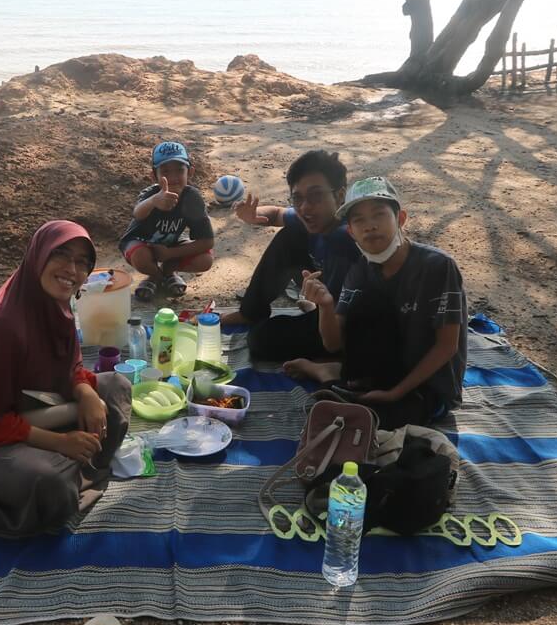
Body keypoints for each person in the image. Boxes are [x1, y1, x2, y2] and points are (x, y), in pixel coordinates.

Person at [0, 221, 133, 536]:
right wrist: (61, 442)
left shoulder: (57, 304)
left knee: (116, 388)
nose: (71, 269)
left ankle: (70, 465)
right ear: (39, 255)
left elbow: (70, 366)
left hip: (27, 407)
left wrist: (86, 393)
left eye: (82, 262)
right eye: (61, 255)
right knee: (47, 483)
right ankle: (67, 471)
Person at [285, 176, 468, 429]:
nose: (370, 226)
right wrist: (325, 306)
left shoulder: (437, 267)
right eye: (359, 220)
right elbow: (333, 343)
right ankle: (337, 375)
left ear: (400, 219)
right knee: (333, 413)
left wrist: (395, 393)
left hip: (428, 386)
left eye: (379, 215)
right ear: (351, 232)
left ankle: (329, 374)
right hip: (378, 375)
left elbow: (447, 346)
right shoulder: (361, 270)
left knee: (367, 421)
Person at [221, 149, 359, 363]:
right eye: (297, 198)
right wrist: (255, 216)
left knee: (260, 339)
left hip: (349, 320)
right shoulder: (315, 217)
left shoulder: (345, 236)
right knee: (289, 236)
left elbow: (343, 321)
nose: (305, 207)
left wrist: (322, 313)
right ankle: (251, 312)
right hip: (325, 290)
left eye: (316, 196)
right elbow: (277, 213)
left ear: (340, 196)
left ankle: (330, 359)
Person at [119, 140, 215, 300]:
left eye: (179, 170)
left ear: (190, 172)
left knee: (205, 259)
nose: (173, 178)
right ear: (154, 176)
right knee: (141, 257)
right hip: (142, 244)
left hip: (170, 246)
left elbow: (207, 241)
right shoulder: (151, 194)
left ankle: (169, 271)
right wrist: (153, 201)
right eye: (165, 171)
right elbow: (138, 213)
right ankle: (156, 276)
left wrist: (170, 253)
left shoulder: (192, 198)